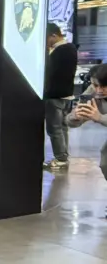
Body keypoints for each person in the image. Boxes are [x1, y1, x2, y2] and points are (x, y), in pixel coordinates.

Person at [44, 23, 78, 171]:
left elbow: (50, 73)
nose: (46, 43)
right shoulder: (71, 48)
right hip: (66, 95)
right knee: (62, 127)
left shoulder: (59, 51)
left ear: (53, 35)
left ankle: (60, 158)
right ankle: (63, 157)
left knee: (54, 129)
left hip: (55, 95)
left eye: (46, 38)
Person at [67, 63, 107, 187]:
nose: (99, 90)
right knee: (105, 164)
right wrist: (76, 117)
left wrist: (100, 117)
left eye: (104, 86)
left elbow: (99, 117)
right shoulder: (93, 90)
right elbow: (70, 120)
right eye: (95, 85)